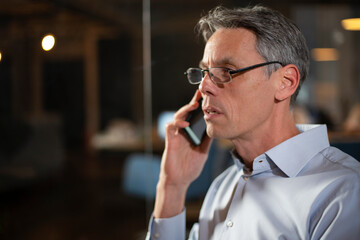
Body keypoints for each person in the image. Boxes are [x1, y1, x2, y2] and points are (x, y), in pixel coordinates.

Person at [146, 5, 360, 240]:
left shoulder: (343, 190)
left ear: (286, 82)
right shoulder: (223, 186)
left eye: (226, 70)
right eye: (204, 72)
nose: (204, 86)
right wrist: (172, 186)